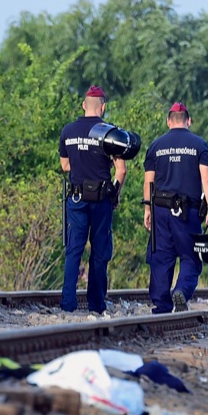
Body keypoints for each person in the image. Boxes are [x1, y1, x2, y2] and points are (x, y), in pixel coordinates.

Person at [142, 102, 208, 313]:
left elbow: (149, 181)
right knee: (190, 257)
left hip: (160, 210)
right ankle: (182, 291)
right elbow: (207, 179)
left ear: (168, 121)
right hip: (187, 212)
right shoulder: (199, 145)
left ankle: (161, 306)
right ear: (189, 120)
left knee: (161, 257)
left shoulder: (155, 146)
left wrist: (147, 209)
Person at [59, 85, 126, 314]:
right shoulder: (109, 132)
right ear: (103, 107)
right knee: (99, 252)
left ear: (83, 105)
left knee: (74, 251)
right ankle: (96, 305)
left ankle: (68, 304)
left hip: (76, 199)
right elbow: (121, 171)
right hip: (101, 200)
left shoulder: (68, 131)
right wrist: (115, 193)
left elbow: (65, 166)